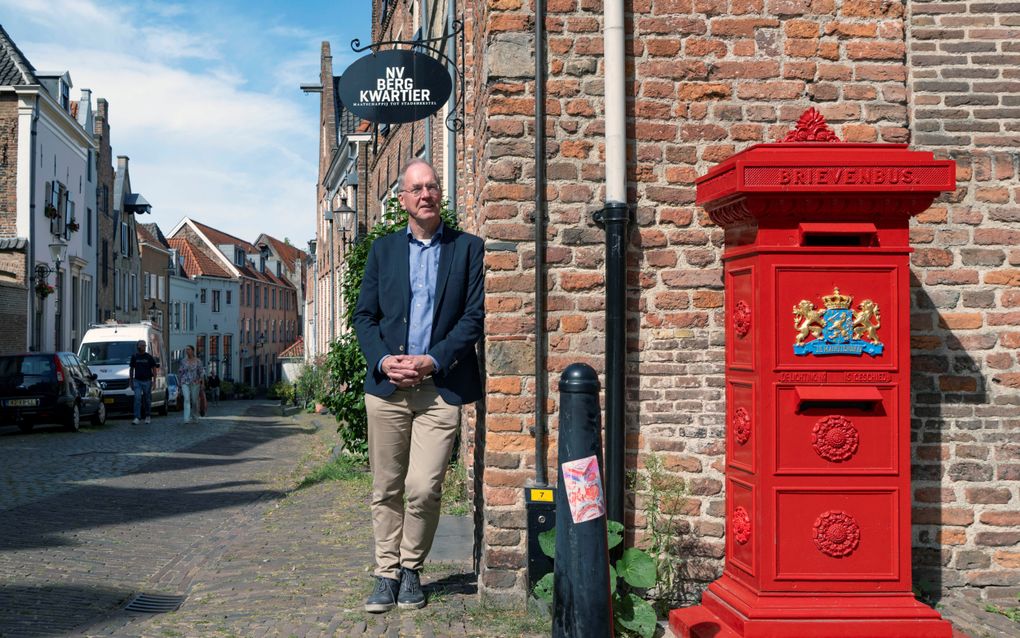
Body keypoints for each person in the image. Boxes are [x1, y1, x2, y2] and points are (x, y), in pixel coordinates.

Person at [353, 158, 484, 613]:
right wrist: (386, 360)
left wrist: (432, 359)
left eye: (432, 186)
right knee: (386, 485)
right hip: (387, 388)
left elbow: (473, 318)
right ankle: (386, 573)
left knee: (424, 486)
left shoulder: (468, 249)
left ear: (439, 195)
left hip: (439, 387)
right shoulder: (383, 250)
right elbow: (364, 317)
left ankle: (412, 567)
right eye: (417, 188)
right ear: (404, 199)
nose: (425, 194)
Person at [128, 340, 160, 425]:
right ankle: (137, 417)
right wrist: (131, 381)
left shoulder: (149, 357)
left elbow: (154, 368)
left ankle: (148, 416)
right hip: (137, 381)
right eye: (142, 345)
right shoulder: (134, 357)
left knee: (147, 399)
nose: (143, 347)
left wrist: (154, 381)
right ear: (138, 347)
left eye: (144, 345)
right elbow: (131, 369)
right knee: (137, 398)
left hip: (147, 380)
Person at [178, 345, 206, 423]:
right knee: (186, 399)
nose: (187, 351)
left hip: (195, 382)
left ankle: (194, 416)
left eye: (189, 349)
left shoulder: (198, 361)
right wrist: (179, 383)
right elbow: (180, 372)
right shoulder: (183, 361)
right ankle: (186, 418)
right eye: (186, 350)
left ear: (193, 351)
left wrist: (202, 383)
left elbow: (201, 373)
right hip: (185, 382)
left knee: (194, 400)